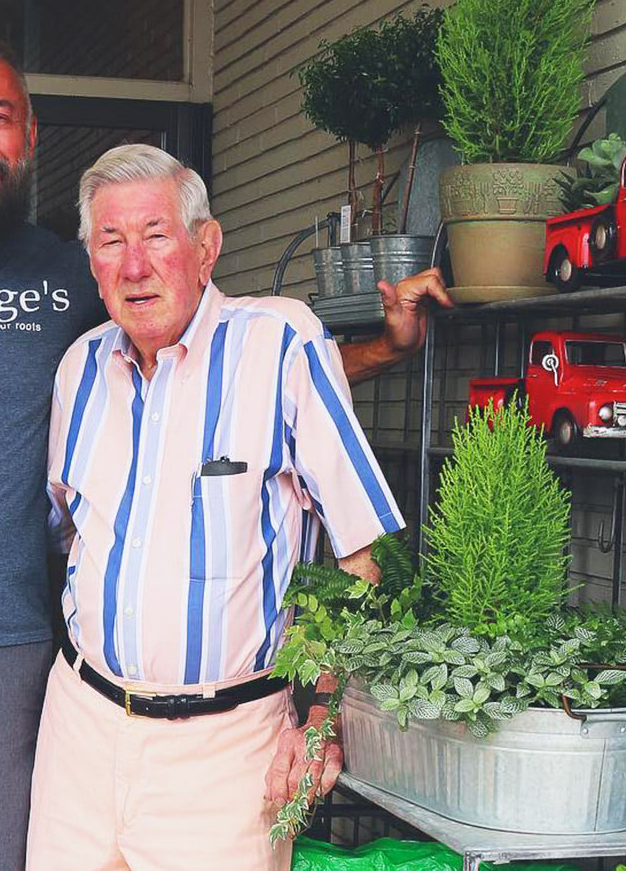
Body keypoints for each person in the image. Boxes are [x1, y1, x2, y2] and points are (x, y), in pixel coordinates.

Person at [0, 35, 448, 871]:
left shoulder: (82, 278)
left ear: (27, 138)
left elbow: (237, 378)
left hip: (5, 661)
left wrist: (381, 354)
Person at [27, 144, 414, 870]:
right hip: (79, 728)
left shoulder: (280, 341)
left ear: (206, 247)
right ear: (91, 261)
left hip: (230, 746)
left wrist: (324, 715)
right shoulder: (79, 367)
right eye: (111, 240)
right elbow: (70, 533)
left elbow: (368, 552)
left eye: (155, 235)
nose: (133, 264)